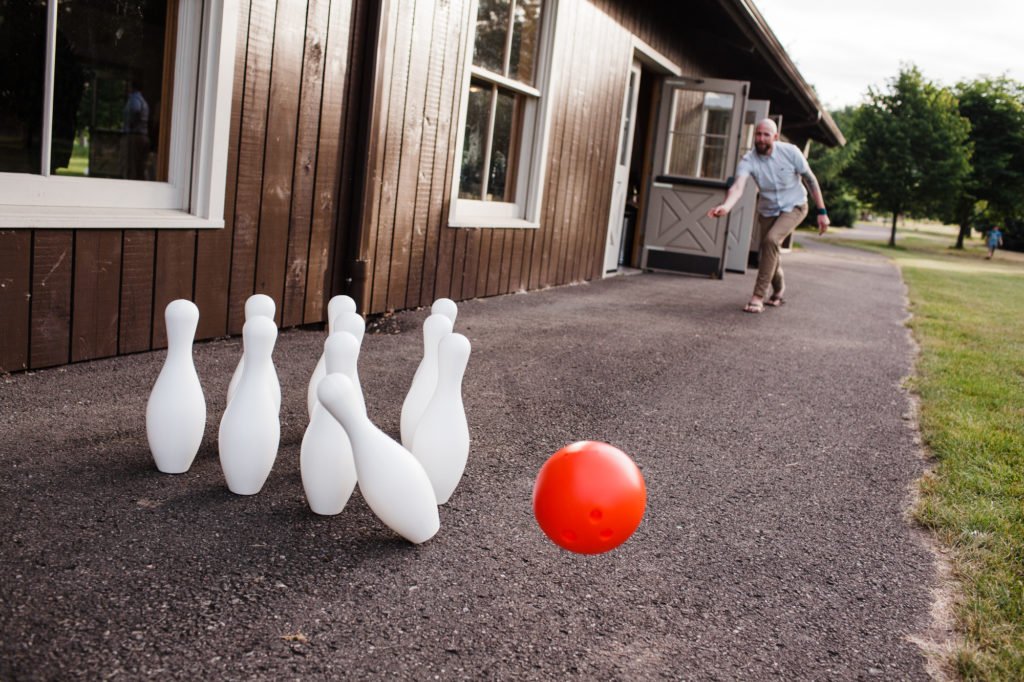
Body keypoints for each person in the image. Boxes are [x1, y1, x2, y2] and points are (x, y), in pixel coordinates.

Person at [706, 119, 829, 313]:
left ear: (775, 136)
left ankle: (758, 296)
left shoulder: (791, 152)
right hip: (768, 209)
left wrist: (822, 212)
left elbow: (810, 180)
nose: (761, 139)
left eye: (766, 135)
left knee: (771, 241)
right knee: (768, 253)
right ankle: (779, 290)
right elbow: (738, 187)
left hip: (795, 205)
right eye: (758, 134)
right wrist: (726, 206)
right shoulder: (749, 160)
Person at [121, 79, 150, 180]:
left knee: (132, 165)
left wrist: (131, 125)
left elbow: (135, 110)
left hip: (135, 135)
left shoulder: (135, 99)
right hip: (140, 135)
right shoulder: (141, 99)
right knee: (139, 166)